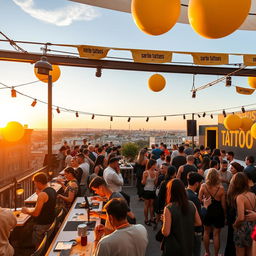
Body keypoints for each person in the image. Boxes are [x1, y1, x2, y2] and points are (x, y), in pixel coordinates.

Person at [161, 179, 201, 256]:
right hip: (188, 243)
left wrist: (164, 221)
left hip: (174, 246)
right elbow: (198, 222)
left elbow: (166, 232)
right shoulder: (191, 204)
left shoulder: (169, 208)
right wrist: (185, 224)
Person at [21, 172, 56, 248]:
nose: (34, 185)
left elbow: (36, 213)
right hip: (51, 222)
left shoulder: (42, 195)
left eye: (35, 183)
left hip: (42, 226)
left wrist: (26, 211)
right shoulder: (52, 190)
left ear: (39, 183)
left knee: (39, 247)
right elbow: (46, 207)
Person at [199, 168, 226, 256]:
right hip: (218, 211)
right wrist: (225, 215)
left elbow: (199, 199)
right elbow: (223, 204)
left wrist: (204, 201)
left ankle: (207, 252)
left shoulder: (203, 186)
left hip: (207, 209)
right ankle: (216, 254)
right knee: (216, 234)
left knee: (206, 232)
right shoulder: (221, 188)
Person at [228, 172, 256, 256]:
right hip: (252, 227)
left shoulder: (240, 197)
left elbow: (240, 217)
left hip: (242, 228)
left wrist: (235, 225)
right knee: (250, 252)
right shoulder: (253, 194)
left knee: (239, 253)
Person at [186, 172, 205, 256]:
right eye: (200, 183)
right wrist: (205, 207)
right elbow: (199, 218)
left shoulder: (184, 192)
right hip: (194, 231)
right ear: (197, 183)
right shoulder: (194, 198)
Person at [141, 159, 158, 226]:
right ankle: (146, 219)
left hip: (152, 190)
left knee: (151, 206)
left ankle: (151, 218)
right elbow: (143, 183)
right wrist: (145, 178)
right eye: (155, 164)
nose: (156, 166)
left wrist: (157, 177)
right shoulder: (146, 172)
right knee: (147, 206)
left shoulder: (156, 172)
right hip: (147, 190)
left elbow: (155, 183)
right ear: (151, 165)